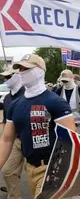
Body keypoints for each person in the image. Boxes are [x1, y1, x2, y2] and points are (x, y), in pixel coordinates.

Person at [0, 54, 77, 198]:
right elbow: (6, 140)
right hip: (30, 168)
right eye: (20, 68)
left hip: (52, 168)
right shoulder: (15, 105)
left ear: (40, 71)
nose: (22, 72)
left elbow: (70, 141)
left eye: (26, 68)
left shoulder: (55, 102)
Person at [0, 66, 25, 199]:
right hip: (15, 140)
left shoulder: (28, 93)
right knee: (8, 171)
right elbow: (5, 121)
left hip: (31, 141)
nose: (6, 79)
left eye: (9, 77)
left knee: (36, 175)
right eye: (5, 77)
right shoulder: (8, 98)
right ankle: (14, 196)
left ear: (17, 76)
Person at [56, 70, 80, 139]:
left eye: (66, 81)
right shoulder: (59, 92)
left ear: (72, 78)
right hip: (64, 128)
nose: (65, 83)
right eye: (63, 81)